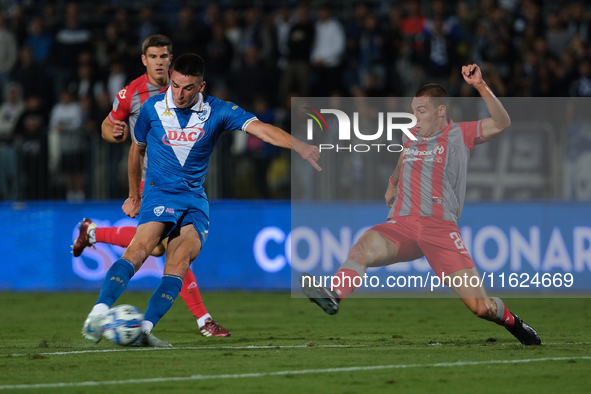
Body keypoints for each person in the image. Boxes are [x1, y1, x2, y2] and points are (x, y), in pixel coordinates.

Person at [82, 53, 321, 347]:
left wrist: (298, 145)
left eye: (188, 88)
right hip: (161, 192)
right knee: (142, 249)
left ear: (201, 86)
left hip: (195, 200)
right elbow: (136, 150)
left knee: (178, 264)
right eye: (176, 85)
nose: (180, 94)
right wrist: (134, 194)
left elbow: (260, 128)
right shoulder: (152, 108)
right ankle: (98, 313)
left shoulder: (217, 110)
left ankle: (143, 330)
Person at [302, 63, 541, 346]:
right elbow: (405, 156)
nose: (414, 117)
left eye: (421, 111)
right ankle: (334, 295)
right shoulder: (410, 135)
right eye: (413, 110)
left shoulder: (461, 134)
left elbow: (502, 123)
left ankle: (513, 321)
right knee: (361, 248)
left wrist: (479, 86)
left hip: (439, 229)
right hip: (402, 224)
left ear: (441, 111)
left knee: (480, 308)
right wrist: (392, 182)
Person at [74, 34, 229, 338]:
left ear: (172, 60)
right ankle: (202, 319)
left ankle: (92, 232)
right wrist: (113, 132)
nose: (160, 61)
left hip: (181, 181)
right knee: (168, 249)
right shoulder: (132, 93)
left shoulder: (186, 90)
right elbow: (108, 126)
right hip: (151, 180)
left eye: (165, 56)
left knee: (159, 247)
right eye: (154, 57)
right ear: (144, 60)